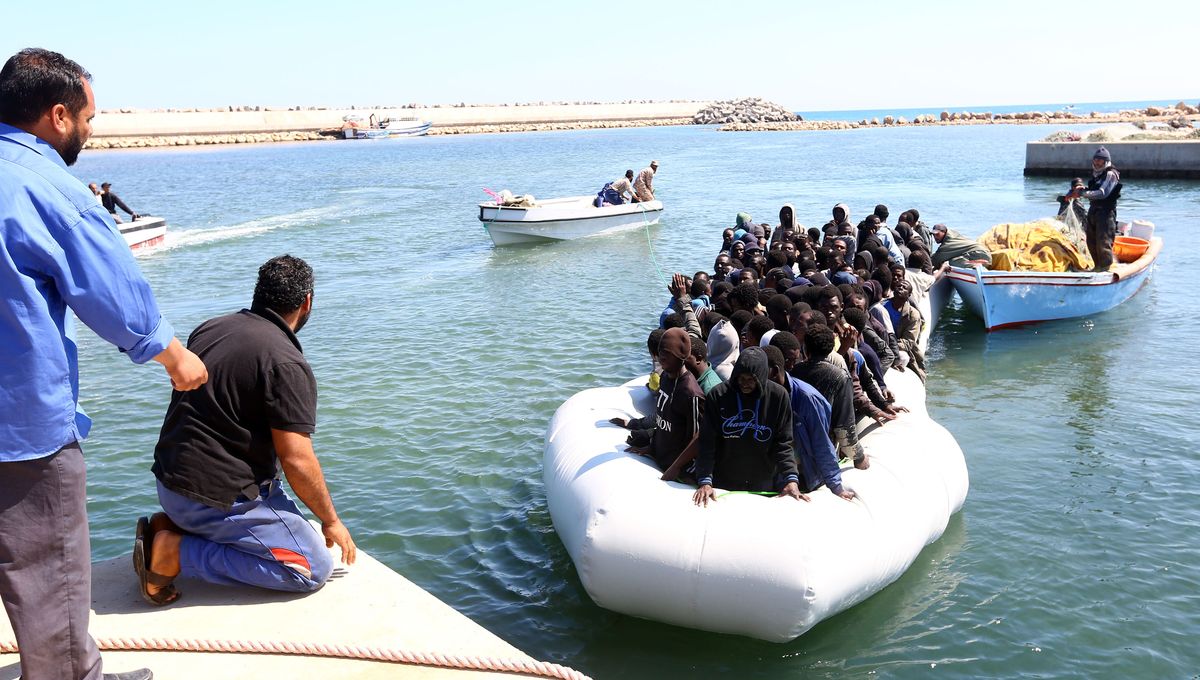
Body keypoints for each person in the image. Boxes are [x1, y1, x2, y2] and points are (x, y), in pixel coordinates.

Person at [0, 47, 207, 680]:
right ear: (58, 116)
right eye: (90, 118)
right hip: (20, 428)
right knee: (48, 567)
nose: (91, 132)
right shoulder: (46, 186)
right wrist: (174, 355)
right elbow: (111, 291)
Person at [146, 255, 357, 604]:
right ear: (306, 302)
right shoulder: (285, 362)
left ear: (259, 293)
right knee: (309, 567)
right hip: (213, 503)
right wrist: (330, 519)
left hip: (172, 487)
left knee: (287, 529)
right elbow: (297, 460)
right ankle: (175, 552)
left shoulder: (211, 328)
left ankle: (174, 527)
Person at [692, 347, 805, 506]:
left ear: (761, 377)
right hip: (724, 481)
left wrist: (791, 479)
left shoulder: (779, 397)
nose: (744, 384)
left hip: (762, 481)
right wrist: (705, 481)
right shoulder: (718, 395)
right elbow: (707, 442)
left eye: (751, 379)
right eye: (740, 378)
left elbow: (783, 443)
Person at [763, 343, 855, 500]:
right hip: (773, 476)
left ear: (775, 372)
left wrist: (836, 487)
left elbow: (821, 443)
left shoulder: (807, 399)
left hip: (805, 476)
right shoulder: (764, 395)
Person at [1071, 147, 1122, 271]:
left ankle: (1105, 268)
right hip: (1094, 211)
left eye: (1100, 161)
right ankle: (1097, 266)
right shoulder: (1096, 175)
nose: (1097, 163)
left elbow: (1102, 193)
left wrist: (1083, 193)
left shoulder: (1111, 174)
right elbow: (1093, 190)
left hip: (1106, 213)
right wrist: (1081, 189)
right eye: (1095, 160)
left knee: (1103, 242)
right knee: (1091, 241)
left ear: (1106, 162)